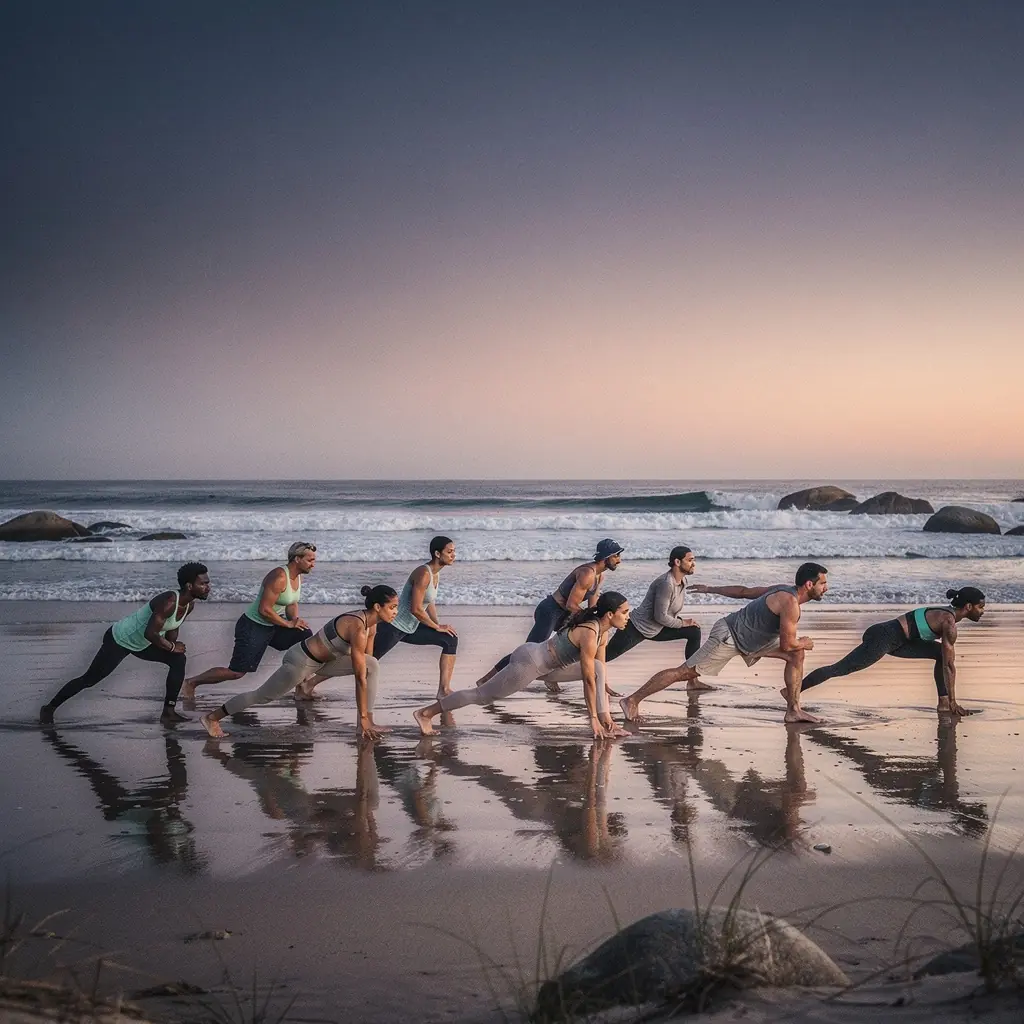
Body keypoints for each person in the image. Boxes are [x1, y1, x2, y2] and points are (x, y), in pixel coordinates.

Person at [618, 562, 829, 726]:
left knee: (796, 656)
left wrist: (711, 588)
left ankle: (793, 710)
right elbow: (787, 643)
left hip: (754, 641)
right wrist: (804, 642)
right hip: (730, 636)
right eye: (822, 583)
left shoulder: (784, 590)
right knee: (685, 673)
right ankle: (632, 700)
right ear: (809, 584)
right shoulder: (790, 602)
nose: (825, 588)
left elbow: (744, 592)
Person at [414, 592, 633, 741]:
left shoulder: (603, 632)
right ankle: (426, 713)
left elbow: (598, 670)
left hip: (548, 665)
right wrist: (592, 719)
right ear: (609, 615)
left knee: (598, 668)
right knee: (481, 696)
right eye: (625, 612)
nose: (628, 617)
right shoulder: (590, 632)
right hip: (530, 663)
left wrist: (606, 720)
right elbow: (587, 679)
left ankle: (609, 725)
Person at [200, 584, 398, 742]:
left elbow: (366, 663)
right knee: (262, 696)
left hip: (324, 662)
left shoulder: (371, 626)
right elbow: (360, 677)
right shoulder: (357, 626)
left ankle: (367, 723)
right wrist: (361, 715)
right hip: (301, 661)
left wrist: (365, 718)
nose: (395, 612)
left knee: (372, 664)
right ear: (377, 607)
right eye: (392, 607)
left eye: (396, 607)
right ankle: (212, 718)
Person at [39, 563, 211, 726]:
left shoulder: (189, 605)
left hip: (143, 643)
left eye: (207, 583)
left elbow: (172, 627)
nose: (208, 587)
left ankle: (168, 712)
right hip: (120, 639)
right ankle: (49, 708)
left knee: (178, 660)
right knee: (89, 679)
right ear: (189, 586)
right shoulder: (169, 602)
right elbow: (150, 633)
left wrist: (172, 645)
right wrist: (172, 647)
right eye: (203, 584)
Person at [304, 536, 458, 701]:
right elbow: (416, 609)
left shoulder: (436, 574)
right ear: (437, 553)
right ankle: (309, 683)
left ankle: (443, 689)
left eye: (454, 551)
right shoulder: (423, 573)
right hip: (394, 626)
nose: (453, 555)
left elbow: (429, 602)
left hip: (411, 627)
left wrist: (437, 624)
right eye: (449, 552)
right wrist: (436, 627)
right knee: (364, 662)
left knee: (450, 639)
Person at [800, 587, 985, 716]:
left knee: (939, 653)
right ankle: (793, 691)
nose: (983, 611)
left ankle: (943, 704)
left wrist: (950, 700)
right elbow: (949, 665)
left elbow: (945, 660)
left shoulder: (946, 614)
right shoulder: (949, 623)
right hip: (884, 637)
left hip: (900, 641)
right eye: (980, 607)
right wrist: (955, 701)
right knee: (840, 669)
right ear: (968, 607)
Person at [474, 538, 625, 691]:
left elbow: (593, 605)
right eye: (616, 556)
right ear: (606, 557)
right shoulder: (587, 574)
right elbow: (571, 604)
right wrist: (587, 619)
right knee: (528, 651)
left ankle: (552, 678)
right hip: (550, 611)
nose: (619, 560)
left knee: (564, 647)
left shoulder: (599, 576)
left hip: (565, 614)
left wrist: (599, 622)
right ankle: (486, 679)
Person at [182, 542, 317, 700]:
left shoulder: (297, 577)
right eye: (310, 560)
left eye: (314, 560)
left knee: (305, 638)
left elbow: (291, 602)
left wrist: (294, 620)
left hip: (273, 625)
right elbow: (264, 610)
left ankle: (302, 688)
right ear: (296, 559)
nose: (313, 564)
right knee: (237, 672)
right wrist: (288, 624)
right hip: (253, 626)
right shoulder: (279, 577)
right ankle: (191, 682)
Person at [605, 545, 701, 664]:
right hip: (637, 628)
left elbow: (667, 614)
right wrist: (682, 623)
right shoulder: (666, 584)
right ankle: (578, 663)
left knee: (694, 631)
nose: (694, 563)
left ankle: (691, 678)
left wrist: (684, 624)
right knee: (605, 656)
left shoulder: (683, 581)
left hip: (657, 628)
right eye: (690, 560)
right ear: (677, 562)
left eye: (694, 560)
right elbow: (660, 617)